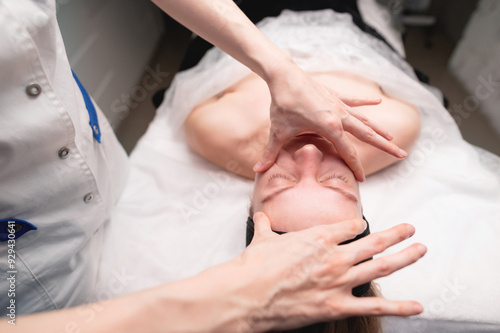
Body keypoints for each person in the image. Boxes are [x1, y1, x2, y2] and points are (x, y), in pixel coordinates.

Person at [0, 0, 425, 331]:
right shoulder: (384, 133)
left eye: (280, 178)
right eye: (337, 179)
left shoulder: (227, 133)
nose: (310, 154)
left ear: (251, 190)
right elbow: (408, 119)